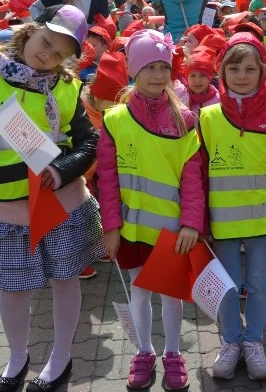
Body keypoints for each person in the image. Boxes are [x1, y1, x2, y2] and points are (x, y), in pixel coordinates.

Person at [0, 4, 103, 392]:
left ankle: (60, 357)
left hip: (59, 204)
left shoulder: (67, 87)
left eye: (60, 54)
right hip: (9, 209)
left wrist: (63, 169)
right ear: (30, 31)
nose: (47, 56)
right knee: (13, 288)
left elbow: (90, 142)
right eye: (45, 43)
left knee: (65, 280)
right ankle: (16, 357)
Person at [97, 29, 204, 391]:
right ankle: (144, 351)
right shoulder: (114, 121)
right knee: (139, 292)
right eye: (150, 67)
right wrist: (110, 227)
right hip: (130, 230)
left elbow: (192, 179)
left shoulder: (185, 120)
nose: (158, 75)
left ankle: (173, 352)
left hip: (172, 230)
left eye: (164, 66)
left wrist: (191, 223)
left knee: (171, 294)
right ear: (133, 70)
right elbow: (107, 181)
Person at [200, 34, 266, 382]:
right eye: (234, 68)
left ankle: (253, 342)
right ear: (222, 72)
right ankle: (230, 342)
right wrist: (199, 222)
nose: (242, 76)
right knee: (227, 286)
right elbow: (197, 174)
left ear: (263, 72)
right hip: (221, 224)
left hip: (262, 223)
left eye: (250, 69)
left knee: (257, 285)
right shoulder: (208, 118)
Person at [184, 48, 219, 114]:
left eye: (203, 75)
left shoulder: (218, 100)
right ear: (186, 77)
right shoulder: (181, 98)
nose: (197, 80)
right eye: (193, 76)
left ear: (210, 77)